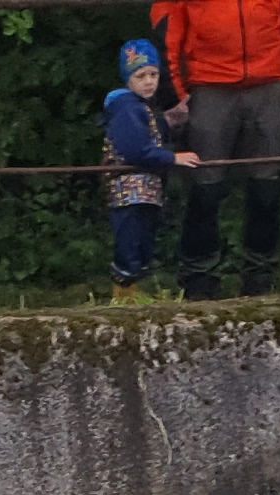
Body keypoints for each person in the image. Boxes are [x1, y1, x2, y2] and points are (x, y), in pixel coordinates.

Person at [152, 0, 280, 299]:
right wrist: (174, 94)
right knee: (204, 189)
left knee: (267, 188)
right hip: (208, 84)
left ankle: (260, 278)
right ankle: (199, 279)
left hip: (269, 83)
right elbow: (168, 25)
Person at [102, 41, 200, 301]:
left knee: (143, 242)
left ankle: (133, 293)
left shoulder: (141, 107)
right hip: (128, 191)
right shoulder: (126, 108)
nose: (148, 81)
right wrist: (172, 158)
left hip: (147, 190)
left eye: (153, 74)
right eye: (140, 76)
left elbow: (149, 135)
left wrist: (166, 124)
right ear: (128, 78)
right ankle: (124, 296)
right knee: (130, 243)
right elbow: (135, 150)